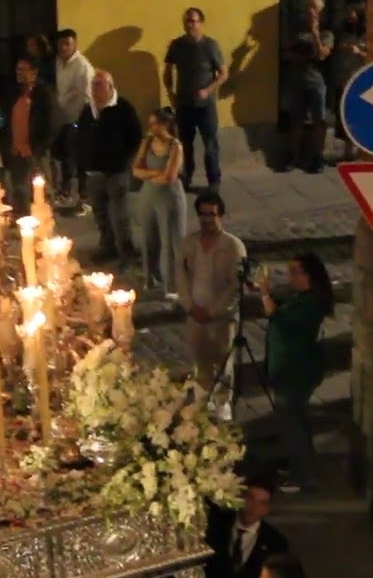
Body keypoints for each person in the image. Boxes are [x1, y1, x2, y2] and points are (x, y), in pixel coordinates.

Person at [258, 252, 333, 493]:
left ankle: (303, 476)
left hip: (295, 372)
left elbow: (275, 314)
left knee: (293, 425)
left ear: (308, 275)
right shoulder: (298, 296)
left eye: (295, 272)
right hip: (289, 370)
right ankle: (302, 467)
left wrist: (264, 292)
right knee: (297, 422)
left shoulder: (310, 304)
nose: (290, 277)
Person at [176, 190, 247, 408]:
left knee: (223, 367)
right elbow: (181, 276)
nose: (207, 219)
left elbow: (235, 285)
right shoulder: (189, 244)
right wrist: (189, 307)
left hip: (221, 320)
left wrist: (213, 312)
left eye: (212, 214)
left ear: (221, 216)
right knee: (200, 365)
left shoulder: (233, 247)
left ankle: (223, 409)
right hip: (195, 317)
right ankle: (201, 407)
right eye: (203, 215)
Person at [76, 70, 143, 263]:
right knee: (100, 212)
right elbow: (81, 137)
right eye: (93, 85)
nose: (95, 89)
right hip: (94, 171)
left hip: (117, 170)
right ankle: (108, 246)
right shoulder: (87, 110)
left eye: (99, 85)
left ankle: (127, 249)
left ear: (110, 87)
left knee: (120, 213)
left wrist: (126, 160)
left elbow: (136, 137)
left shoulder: (124, 108)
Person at [163, 7, 227, 191]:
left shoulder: (210, 46)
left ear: (201, 23)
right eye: (187, 21)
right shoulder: (176, 46)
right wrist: (171, 95)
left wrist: (208, 90)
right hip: (184, 104)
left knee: (210, 144)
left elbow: (223, 73)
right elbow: (167, 72)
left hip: (205, 105)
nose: (190, 25)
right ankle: (186, 177)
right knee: (185, 145)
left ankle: (214, 180)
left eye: (194, 21)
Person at [132, 107, 187, 301]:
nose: (151, 127)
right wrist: (156, 174)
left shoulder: (175, 146)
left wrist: (152, 175)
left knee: (171, 240)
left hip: (169, 197)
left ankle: (172, 284)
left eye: (155, 124)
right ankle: (151, 278)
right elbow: (136, 170)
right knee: (149, 238)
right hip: (148, 195)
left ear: (165, 125)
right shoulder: (146, 143)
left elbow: (170, 176)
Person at [279, 0, 334, 174]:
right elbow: (285, 54)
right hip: (297, 81)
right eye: (310, 8)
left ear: (321, 12)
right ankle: (293, 156)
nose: (312, 13)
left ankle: (317, 157)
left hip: (316, 82)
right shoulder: (296, 29)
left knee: (319, 120)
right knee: (296, 120)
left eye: (316, 9)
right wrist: (304, 55)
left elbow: (322, 55)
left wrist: (315, 33)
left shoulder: (326, 32)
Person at [3, 55, 59, 218]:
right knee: (19, 188)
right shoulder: (14, 92)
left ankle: (44, 224)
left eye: (24, 69)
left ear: (34, 72)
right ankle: (23, 222)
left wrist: (41, 146)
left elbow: (51, 123)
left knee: (42, 189)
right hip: (17, 150)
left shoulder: (43, 93)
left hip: (36, 150)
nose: (19, 73)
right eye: (18, 69)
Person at [53, 29, 95, 214]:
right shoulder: (58, 62)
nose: (63, 47)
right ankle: (66, 193)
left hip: (78, 119)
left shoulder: (83, 66)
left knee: (81, 161)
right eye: (61, 44)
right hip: (63, 118)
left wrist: (81, 122)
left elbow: (87, 96)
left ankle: (85, 199)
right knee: (66, 158)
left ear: (75, 44)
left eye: (67, 44)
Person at [330, 1, 366, 162]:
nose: (349, 16)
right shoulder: (341, 31)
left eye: (352, 12)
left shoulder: (367, 32)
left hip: (360, 81)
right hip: (343, 77)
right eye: (347, 12)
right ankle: (346, 151)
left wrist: (359, 52)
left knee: (359, 116)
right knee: (344, 115)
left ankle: (359, 150)